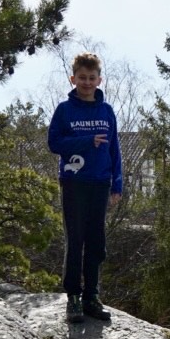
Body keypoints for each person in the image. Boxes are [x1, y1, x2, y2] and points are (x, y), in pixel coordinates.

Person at [47, 52, 124, 323]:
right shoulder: (65, 110)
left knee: (96, 243)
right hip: (74, 183)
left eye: (92, 78)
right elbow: (54, 143)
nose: (87, 82)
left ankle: (92, 296)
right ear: (73, 79)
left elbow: (114, 148)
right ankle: (74, 298)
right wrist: (86, 140)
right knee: (76, 240)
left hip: (100, 183)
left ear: (99, 80)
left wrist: (117, 183)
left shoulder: (106, 111)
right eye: (82, 77)